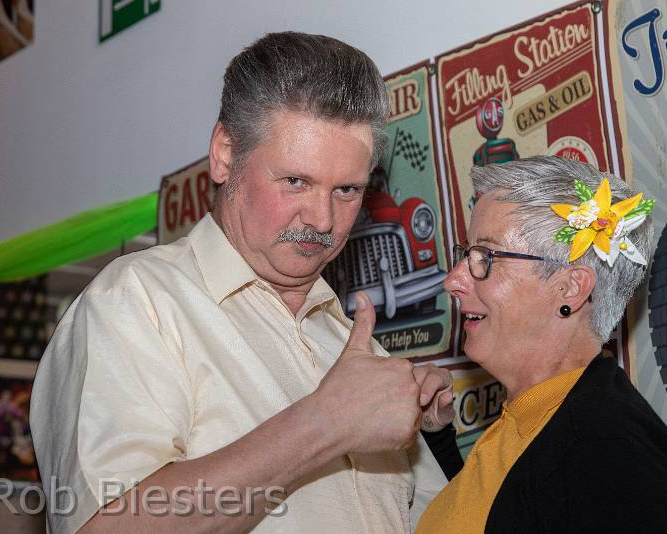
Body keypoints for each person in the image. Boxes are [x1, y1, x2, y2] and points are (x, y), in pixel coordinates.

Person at [30, 32, 456, 533]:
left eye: (346, 190)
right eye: (295, 181)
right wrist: (325, 424)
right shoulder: (136, 301)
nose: (322, 219)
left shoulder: (352, 346)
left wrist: (434, 433)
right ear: (225, 155)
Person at [416, 156, 667, 533]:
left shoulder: (614, 458)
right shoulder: (534, 420)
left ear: (570, 288)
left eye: (485, 257)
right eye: (466, 255)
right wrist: (436, 437)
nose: (453, 281)